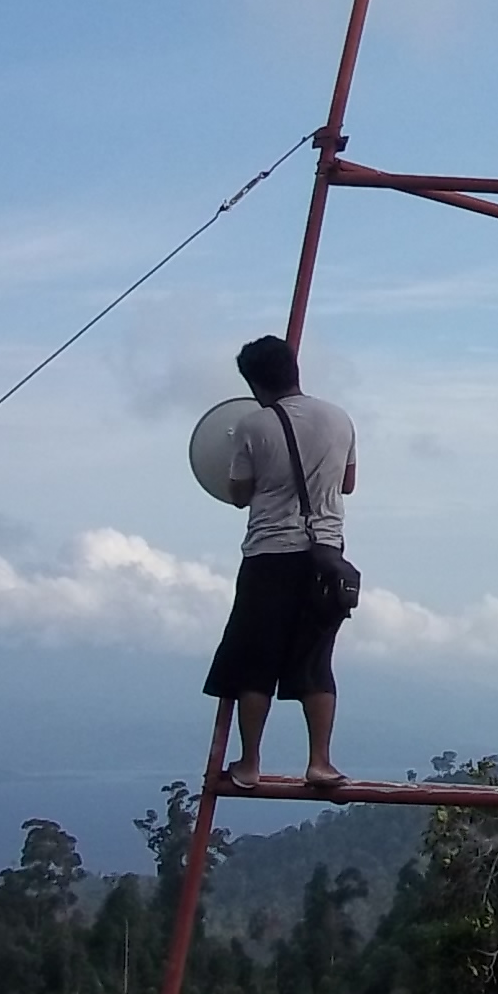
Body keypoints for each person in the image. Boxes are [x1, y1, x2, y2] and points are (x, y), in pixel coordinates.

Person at [202, 335, 357, 792]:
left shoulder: (252, 426)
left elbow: (238, 494)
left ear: (254, 383)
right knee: (316, 661)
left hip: (269, 554)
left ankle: (249, 763)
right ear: (294, 369)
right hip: (326, 556)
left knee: (255, 663)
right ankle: (320, 762)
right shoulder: (340, 418)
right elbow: (348, 484)